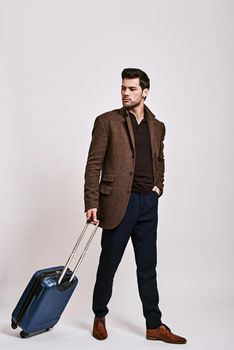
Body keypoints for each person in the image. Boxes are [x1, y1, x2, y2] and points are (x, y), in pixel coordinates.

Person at [84, 68, 186, 344]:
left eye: (131, 89)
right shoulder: (106, 122)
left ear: (145, 92)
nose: (125, 93)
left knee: (147, 267)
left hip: (147, 205)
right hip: (119, 202)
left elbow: (159, 159)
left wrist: (158, 187)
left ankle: (154, 325)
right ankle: (99, 315)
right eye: (123, 88)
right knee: (109, 264)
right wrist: (92, 202)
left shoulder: (157, 126)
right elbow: (94, 164)